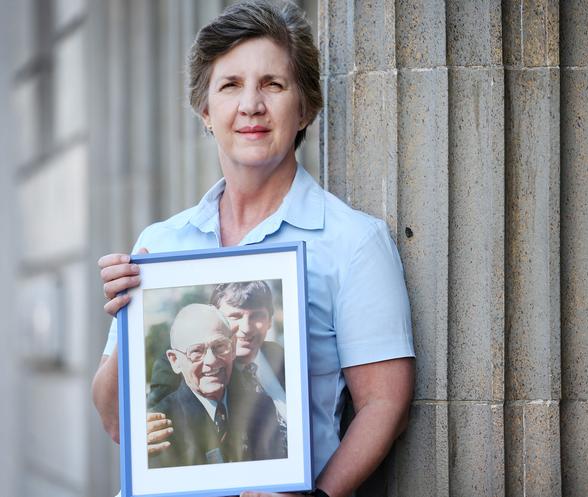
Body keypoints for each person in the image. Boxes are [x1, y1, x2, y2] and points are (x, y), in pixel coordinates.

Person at [92, 1, 415, 496]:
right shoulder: (159, 245)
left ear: (305, 106)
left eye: (273, 84)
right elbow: (117, 423)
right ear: (205, 110)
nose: (251, 105)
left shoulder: (353, 242)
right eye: (230, 86)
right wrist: (127, 319)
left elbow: (384, 404)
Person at [147, 303, 285, 468]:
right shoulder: (158, 430)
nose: (211, 361)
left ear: (233, 347)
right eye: (197, 351)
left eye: (219, 346)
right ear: (175, 361)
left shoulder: (262, 407)